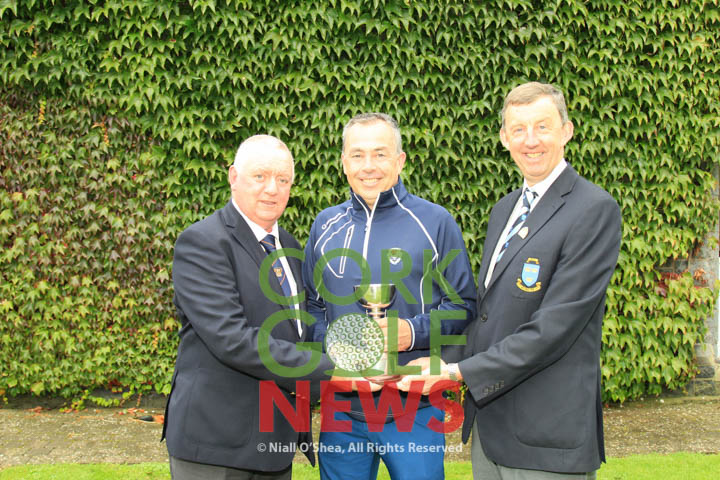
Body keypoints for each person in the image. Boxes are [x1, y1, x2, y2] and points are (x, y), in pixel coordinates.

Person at [398, 82, 622, 479]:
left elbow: (554, 328)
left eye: (542, 126)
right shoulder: (505, 210)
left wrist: (456, 373)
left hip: (546, 437)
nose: (530, 140)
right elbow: (490, 318)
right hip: (492, 431)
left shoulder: (594, 209)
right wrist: (440, 360)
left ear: (567, 131)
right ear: (504, 138)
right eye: (518, 129)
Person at [303, 113, 477, 480]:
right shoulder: (324, 225)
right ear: (344, 163)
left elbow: (463, 304)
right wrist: (336, 346)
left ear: (400, 160)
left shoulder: (435, 221)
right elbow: (312, 307)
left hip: (414, 407)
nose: (368, 166)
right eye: (358, 155)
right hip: (342, 411)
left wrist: (410, 333)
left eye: (380, 154)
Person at [162, 135, 338, 479]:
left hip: (274, 444)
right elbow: (233, 339)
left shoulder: (289, 247)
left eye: (283, 179)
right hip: (215, 446)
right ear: (233, 176)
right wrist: (334, 370)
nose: (272, 189)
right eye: (260, 176)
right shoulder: (203, 242)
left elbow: (296, 332)